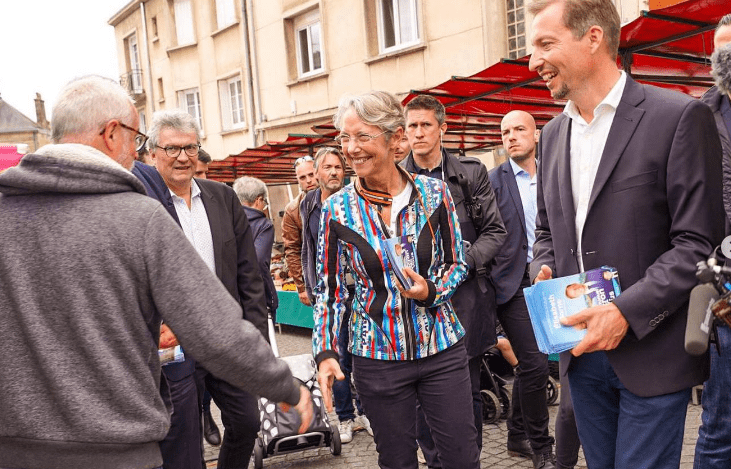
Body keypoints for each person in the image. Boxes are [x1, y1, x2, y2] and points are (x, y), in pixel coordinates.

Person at [0, 75, 312, 469]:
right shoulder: (139, 217)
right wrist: (285, 385)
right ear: (112, 133)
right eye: (137, 136)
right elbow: (213, 327)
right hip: (116, 450)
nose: (137, 150)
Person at [527, 1, 724, 468]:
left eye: (545, 44)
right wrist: (542, 268)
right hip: (580, 355)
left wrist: (623, 311)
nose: (533, 61)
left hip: (649, 353)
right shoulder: (552, 135)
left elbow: (698, 243)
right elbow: (545, 231)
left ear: (593, 38)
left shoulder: (678, 117)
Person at [314, 90, 479, 469]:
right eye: (344, 138)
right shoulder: (335, 209)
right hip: (376, 356)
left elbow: (457, 261)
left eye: (362, 137)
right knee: (396, 461)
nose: (351, 149)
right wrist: (325, 353)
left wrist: (432, 289)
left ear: (395, 139)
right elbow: (331, 291)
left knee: (462, 458)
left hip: (441, 347)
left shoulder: (434, 194)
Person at [147, 109, 271, 469]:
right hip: (175, 344)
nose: (183, 157)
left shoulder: (223, 197)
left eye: (190, 147)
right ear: (153, 152)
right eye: (172, 149)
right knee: (184, 440)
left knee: (247, 422)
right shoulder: (144, 204)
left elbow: (249, 274)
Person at [401, 94, 506, 467]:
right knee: (420, 394)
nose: (418, 133)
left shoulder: (469, 172)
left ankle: (468, 460)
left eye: (425, 124)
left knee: (466, 389)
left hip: (464, 299)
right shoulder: (395, 177)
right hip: (413, 303)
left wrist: (459, 266)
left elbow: (494, 232)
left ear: (442, 129)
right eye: (411, 126)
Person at [488, 110, 555, 468]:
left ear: (536, 135)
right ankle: (541, 446)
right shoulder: (492, 180)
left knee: (532, 367)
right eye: (505, 132)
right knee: (535, 363)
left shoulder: (553, 172)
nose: (511, 136)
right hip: (513, 286)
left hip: (552, 279)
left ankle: (516, 436)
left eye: (518, 130)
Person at [300, 147, 373, 444]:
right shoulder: (309, 204)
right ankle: (345, 417)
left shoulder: (356, 199)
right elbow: (307, 246)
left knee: (363, 355)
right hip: (331, 293)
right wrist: (310, 284)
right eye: (327, 167)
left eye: (337, 167)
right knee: (337, 355)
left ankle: (366, 412)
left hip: (360, 290)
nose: (333, 172)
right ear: (316, 173)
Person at [695, 14, 731, 469]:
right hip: (726, 291)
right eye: (721, 50)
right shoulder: (699, 115)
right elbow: (691, 211)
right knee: (721, 424)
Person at [233, 175, 279, 324]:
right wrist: (271, 297)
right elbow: (259, 263)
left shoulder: (226, 219)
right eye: (264, 201)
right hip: (255, 300)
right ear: (259, 200)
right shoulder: (263, 225)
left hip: (230, 298)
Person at [282, 155, 317, 305]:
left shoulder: (336, 198)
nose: (308, 180)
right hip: (316, 278)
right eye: (302, 177)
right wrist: (302, 287)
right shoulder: (292, 210)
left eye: (311, 174)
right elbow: (292, 249)